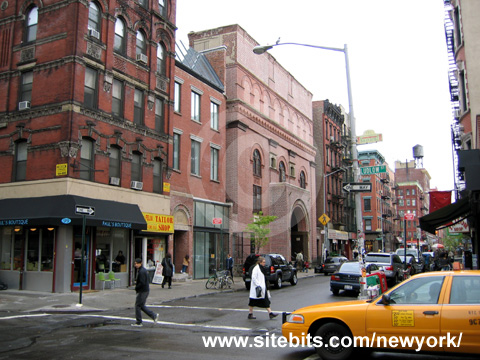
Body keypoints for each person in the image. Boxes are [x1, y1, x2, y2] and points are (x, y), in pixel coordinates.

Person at [132, 258, 159, 327]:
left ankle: (139, 322)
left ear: (140, 263)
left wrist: (136, 287)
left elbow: (142, 282)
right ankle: (153, 315)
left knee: (138, 305)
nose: (135, 265)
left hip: (142, 291)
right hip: (144, 290)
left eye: (136, 263)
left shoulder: (141, 271)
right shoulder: (143, 270)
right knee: (141, 305)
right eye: (135, 264)